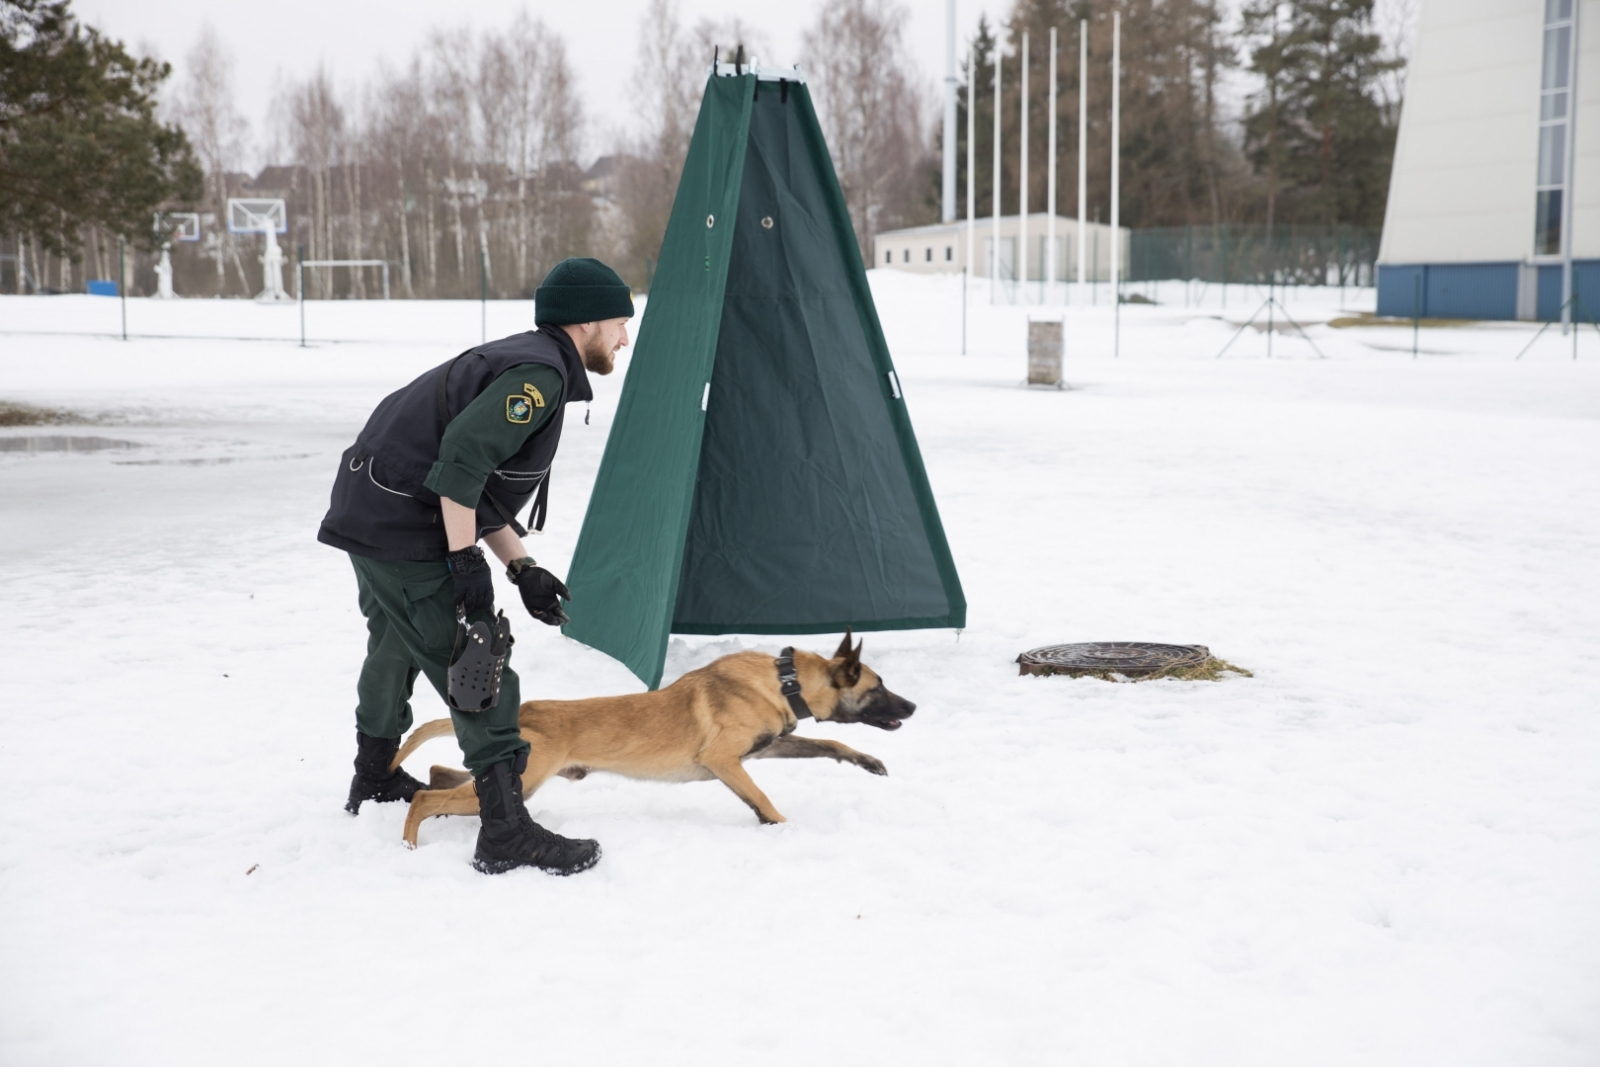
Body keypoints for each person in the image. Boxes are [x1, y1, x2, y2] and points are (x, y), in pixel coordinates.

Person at [317, 258, 632, 876]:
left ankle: (372, 777)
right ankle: (505, 830)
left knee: (396, 645)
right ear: (589, 321)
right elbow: (459, 466)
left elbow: (472, 484)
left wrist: (523, 569)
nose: (625, 338)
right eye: (622, 323)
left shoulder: (524, 358)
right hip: (404, 527)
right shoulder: (537, 379)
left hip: (372, 513)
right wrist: (465, 567)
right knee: (475, 659)